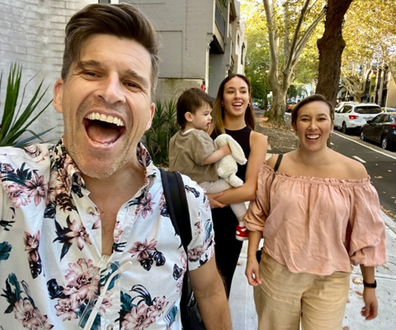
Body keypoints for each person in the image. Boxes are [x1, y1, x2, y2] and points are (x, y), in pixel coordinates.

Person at [0, 3, 231, 329]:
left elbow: (208, 292)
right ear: (60, 94)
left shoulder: (187, 200)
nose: (111, 93)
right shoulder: (8, 183)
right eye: (92, 73)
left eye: (132, 83)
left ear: (149, 115)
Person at [244, 94, 387, 329]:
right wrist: (251, 257)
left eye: (321, 119)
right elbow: (258, 216)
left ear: (331, 124)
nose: (313, 126)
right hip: (278, 272)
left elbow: (366, 236)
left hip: (330, 280)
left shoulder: (354, 173)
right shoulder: (275, 167)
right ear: (294, 125)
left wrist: (369, 286)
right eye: (304, 119)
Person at [208, 74, 268, 297]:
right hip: (198, 217)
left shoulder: (257, 140)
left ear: (249, 97)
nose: (237, 95)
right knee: (188, 285)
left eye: (242, 91)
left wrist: (206, 197)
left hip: (229, 225)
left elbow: (251, 189)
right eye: (230, 90)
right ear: (222, 99)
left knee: (220, 288)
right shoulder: (206, 130)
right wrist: (201, 200)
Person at [169, 87, 249, 241]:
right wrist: (224, 151)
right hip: (201, 183)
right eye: (206, 114)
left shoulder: (176, 138)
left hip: (181, 185)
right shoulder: (198, 136)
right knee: (232, 186)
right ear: (189, 116)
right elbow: (205, 159)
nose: (210, 118)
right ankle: (243, 222)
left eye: (210, 114)